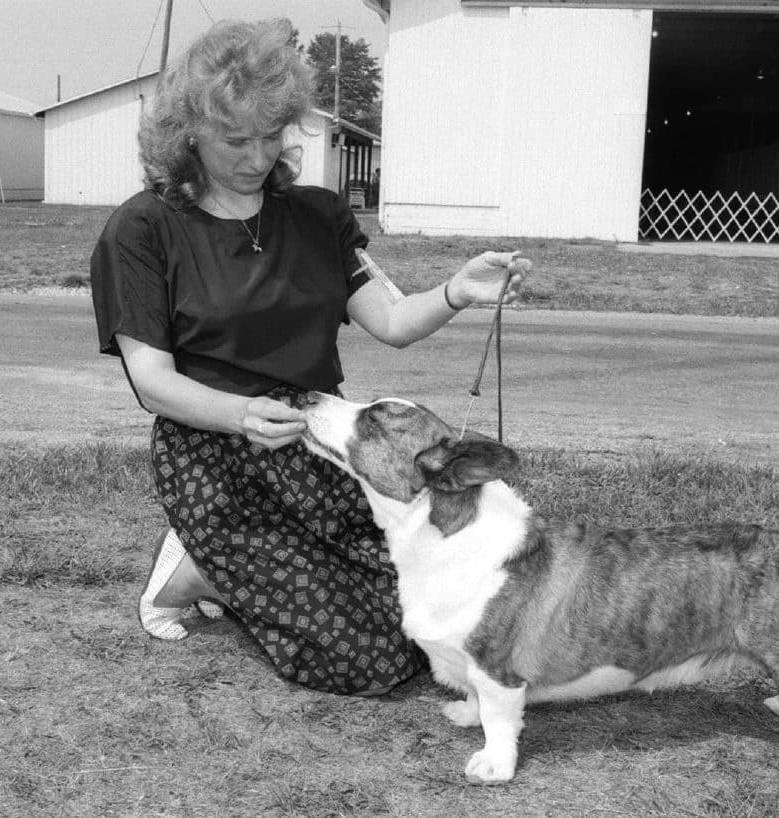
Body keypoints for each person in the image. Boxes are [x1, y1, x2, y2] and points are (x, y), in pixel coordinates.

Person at [89, 18, 530, 697]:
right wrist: (241, 415)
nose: (257, 156)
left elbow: (393, 322)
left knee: (425, 620)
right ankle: (194, 568)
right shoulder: (143, 230)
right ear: (189, 133)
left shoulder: (319, 216)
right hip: (216, 451)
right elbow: (152, 382)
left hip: (318, 438)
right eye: (236, 139)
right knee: (366, 660)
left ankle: (229, 572)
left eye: (271, 135)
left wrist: (456, 291)